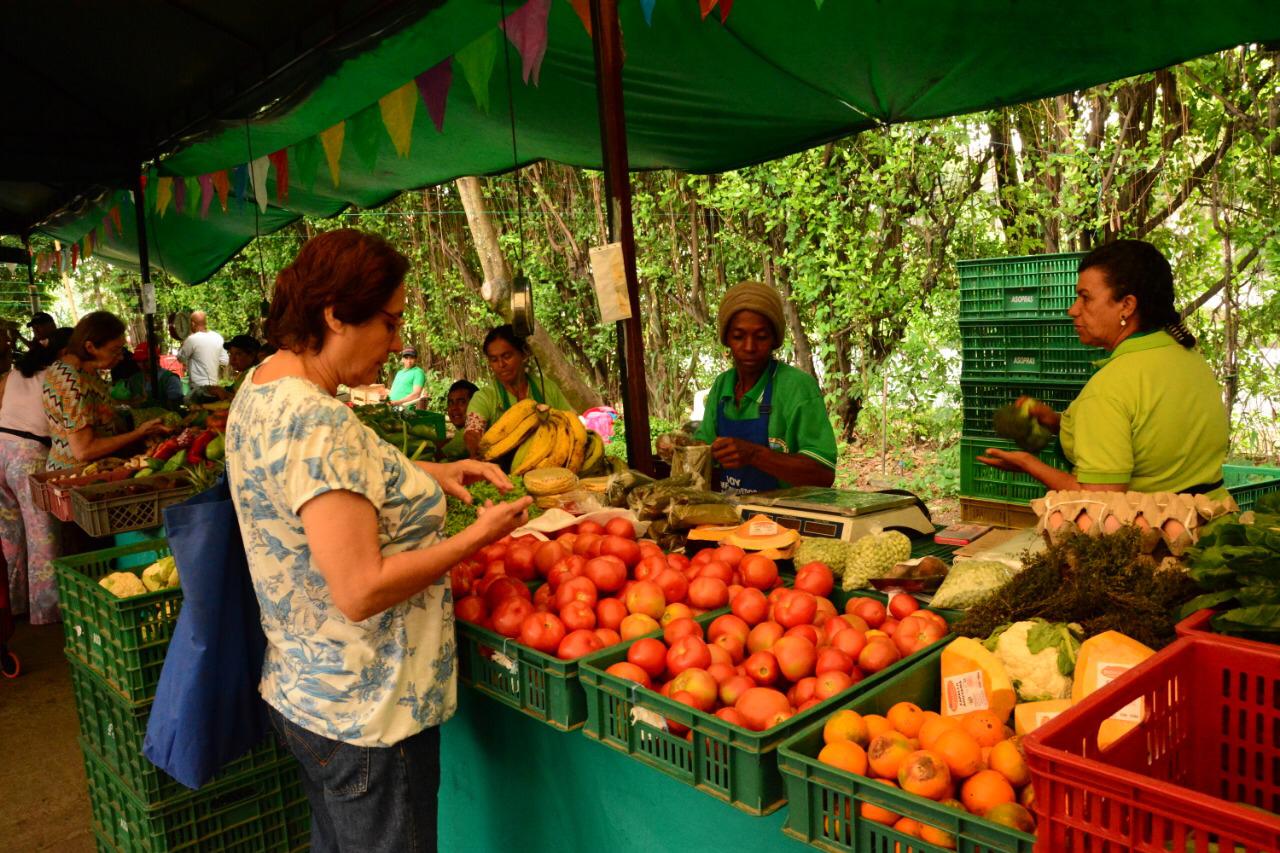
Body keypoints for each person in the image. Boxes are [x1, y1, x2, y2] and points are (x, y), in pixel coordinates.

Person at [225, 229, 530, 852]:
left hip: (309, 693)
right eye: (388, 325)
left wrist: (433, 476)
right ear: (335, 314)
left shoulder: (263, 386)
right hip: (368, 712)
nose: (395, 344)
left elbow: (332, 495)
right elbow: (361, 590)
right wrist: (475, 538)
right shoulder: (319, 419)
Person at [978, 240, 1228, 494]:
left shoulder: (1110, 387)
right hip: (1211, 521)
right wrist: (1057, 422)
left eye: (1085, 298)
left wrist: (1029, 463)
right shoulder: (1190, 358)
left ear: (1127, 306)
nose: (1072, 309)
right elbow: (1152, 433)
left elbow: (1101, 498)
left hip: (1152, 530)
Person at [693, 280, 838, 492]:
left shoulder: (796, 387)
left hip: (787, 518)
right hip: (731, 517)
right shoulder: (722, 386)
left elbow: (823, 474)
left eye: (761, 337)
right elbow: (703, 455)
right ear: (726, 339)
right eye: (738, 336)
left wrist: (755, 455)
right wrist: (679, 449)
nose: (749, 347)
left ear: (774, 339)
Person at [0, 328, 72, 624]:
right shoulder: (58, 377)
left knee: (9, 535)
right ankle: (46, 612)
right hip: (28, 456)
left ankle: (13, 605)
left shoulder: (15, 374)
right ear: (62, 354)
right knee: (42, 533)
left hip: (1, 448)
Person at [41, 312, 170, 469]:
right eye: (115, 350)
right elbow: (84, 450)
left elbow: (93, 412)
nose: (121, 357)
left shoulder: (69, 367)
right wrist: (138, 433)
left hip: (80, 466)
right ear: (90, 347)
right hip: (77, 475)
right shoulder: (75, 383)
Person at [464, 325, 574, 460]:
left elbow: (570, 423)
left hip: (548, 464)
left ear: (523, 353)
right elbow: (472, 432)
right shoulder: (485, 397)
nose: (501, 364)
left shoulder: (548, 388)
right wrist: (475, 449)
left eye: (507, 356)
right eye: (494, 359)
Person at [177, 310, 228, 397]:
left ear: (193, 324)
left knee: (197, 408)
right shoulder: (217, 337)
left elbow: (180, 358)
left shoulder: (192, 339)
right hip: (214, 387)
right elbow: (224, 361)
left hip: (198, 387)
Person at [204, 334, 261, 400]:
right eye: (230, 354)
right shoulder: (244, 374)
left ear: (252, 355)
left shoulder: (253, 374)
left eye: (238, 354)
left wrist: (225, 394)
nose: (232, 359)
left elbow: (245, 401)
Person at [437, 379, 478, 460]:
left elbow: (437, 456)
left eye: (461, 402)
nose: (454, 408)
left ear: (477, 404)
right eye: (451, 403)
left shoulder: (470, 432)